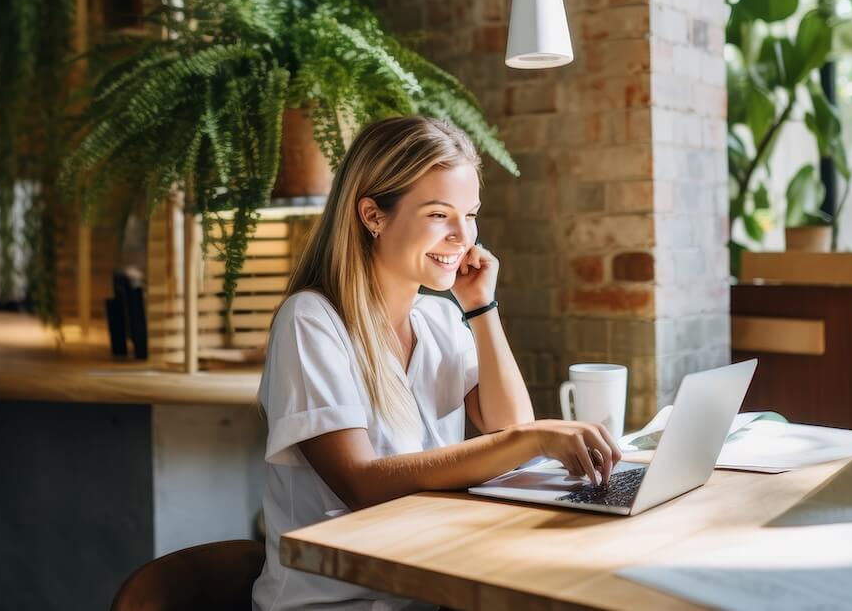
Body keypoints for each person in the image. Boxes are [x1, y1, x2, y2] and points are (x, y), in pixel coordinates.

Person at [252, 116, 621, 611]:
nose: (462, 237)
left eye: (470, 215)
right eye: (438, 215)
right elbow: (361, 482)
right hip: (336, 604)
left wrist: (481, 307)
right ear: (373, 216)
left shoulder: (440, 320)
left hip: (425, 591)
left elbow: (510, 427)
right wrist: (528, 439)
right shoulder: (312, 321)